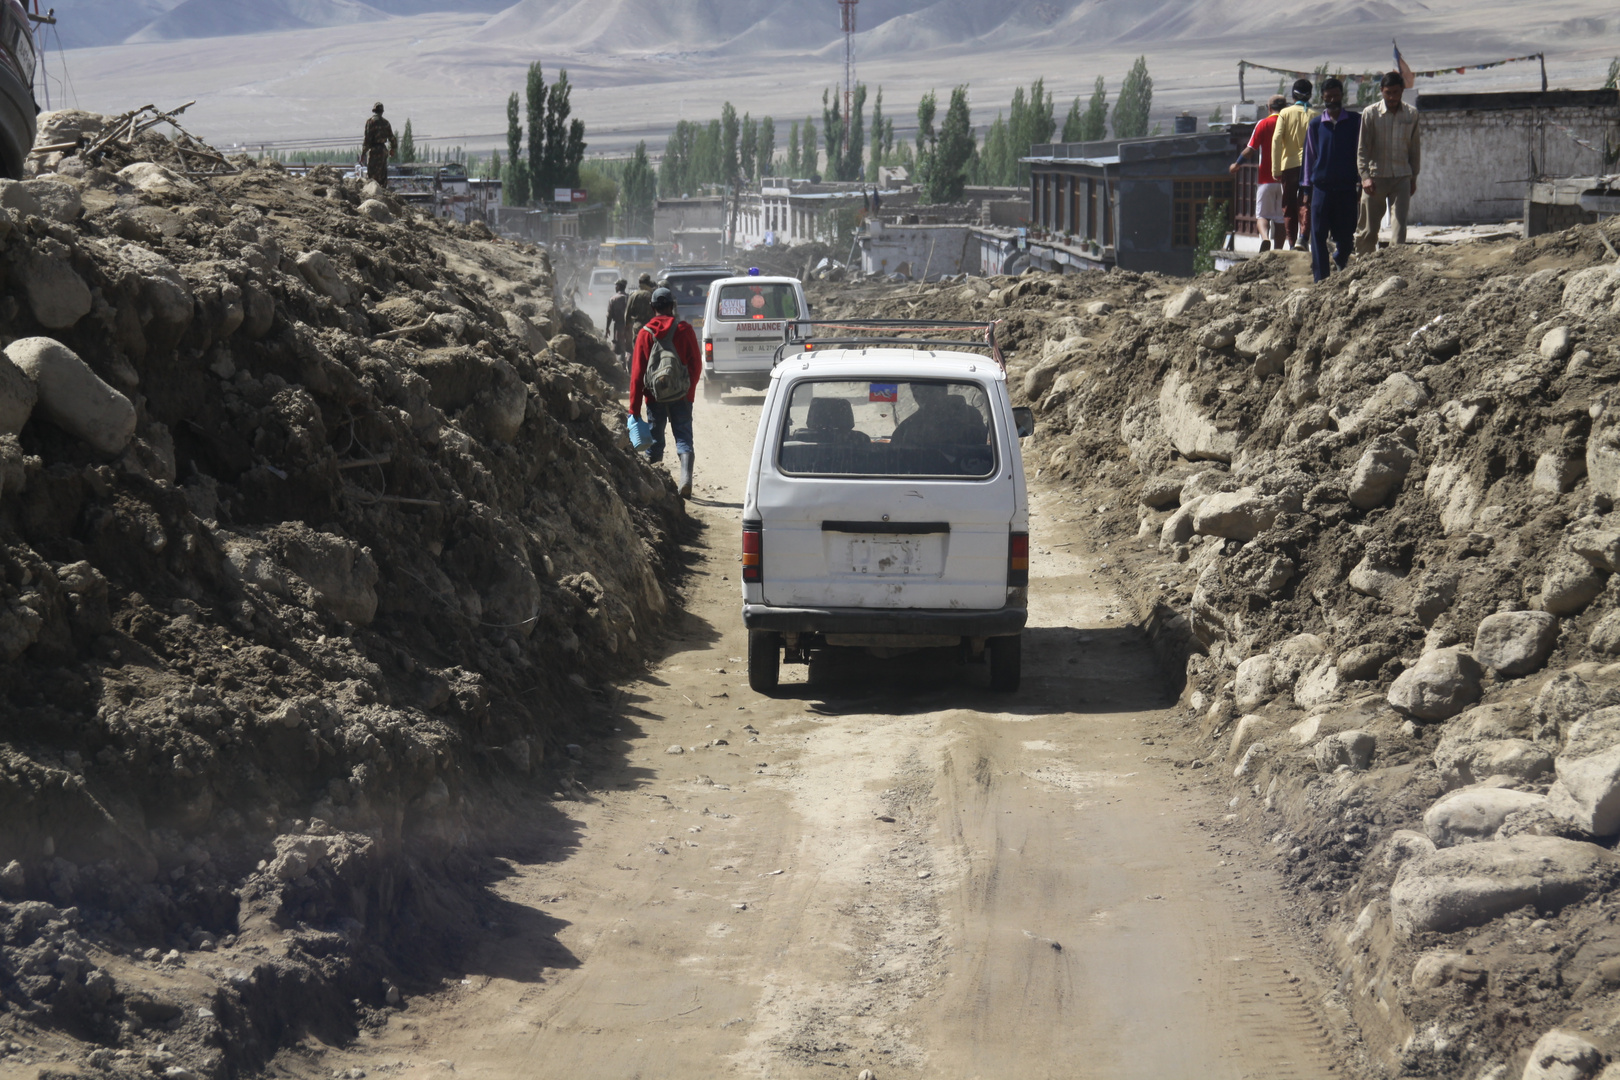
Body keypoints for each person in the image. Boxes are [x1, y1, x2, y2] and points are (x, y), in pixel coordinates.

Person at [629, 287, 702, 497]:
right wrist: (688, 391)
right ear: (672, 306)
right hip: (681, 394)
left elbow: (637, 374)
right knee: (684, 438)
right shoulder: (685, 329)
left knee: (654, 440)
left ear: (653, 308)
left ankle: (656, 486)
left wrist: (634, 409)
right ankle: (685, 480)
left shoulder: (645, 333)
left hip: (654, 396)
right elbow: (696, 365)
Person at [1302, 78, 1363, 282]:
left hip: (1346, 187)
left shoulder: (1355, 122)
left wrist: (1362, 181)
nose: (1332, 101)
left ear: (1342, 96)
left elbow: (1361, 152)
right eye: (1328, 97)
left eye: (1336, 96)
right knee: (1318, 235)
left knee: (1346, 235)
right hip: (1321, 188)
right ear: (1322, 98)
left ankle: (1340, 257)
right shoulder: (1316, 125)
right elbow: (1309, 158)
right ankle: (1321, 279)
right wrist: (1305, 189)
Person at [1355, 70, 1422, 254]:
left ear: (1402, 90)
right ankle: (1364, 265)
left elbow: (1414, 148)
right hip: (1375, 178)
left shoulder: (1411, 114)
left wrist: (1413, 177)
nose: (1392, 97)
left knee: (1399, 227)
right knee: (1368, 229)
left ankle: (1395, 266)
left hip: (1402, 176)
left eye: (1396, 92)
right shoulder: (1370, 114)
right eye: (1388, 92)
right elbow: (1362, 149)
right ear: (1381, 91)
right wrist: (1365, 177)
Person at [1231, 95, 1288, 251]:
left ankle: (1265, 238)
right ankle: (1278, 250)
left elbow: (1250, 149)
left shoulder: (1263, 124)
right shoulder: (1289, 124)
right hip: (1286, 180)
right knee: (1281, 220)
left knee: (1262, 215)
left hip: (1265, 179)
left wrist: (1237, 164)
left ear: (1269, 108)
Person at [1270, 79, 1315, 250]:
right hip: (1309, 167)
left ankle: (1291, 242)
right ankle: (1302, 239)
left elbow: (1276, 140)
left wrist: (1276, 169)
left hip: (1288, 166)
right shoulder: (1316, 115)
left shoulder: (1285, 113)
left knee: (1288, 204)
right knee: (1305, 201)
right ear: (1310, 95)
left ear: (1292, 95)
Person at [892, 383, 986, 449]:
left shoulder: (970, 416)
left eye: (929, 391)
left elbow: (981, 448)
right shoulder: (906, 429)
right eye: (916, 392)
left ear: (943, 390)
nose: (920, 396)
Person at [362, 103, 397, 188]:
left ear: (374, 111)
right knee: (382, 173)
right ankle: (382, 191)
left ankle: (372, 191)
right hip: (383, 150)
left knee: (372, 174)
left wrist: (363, 153)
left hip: (373, 150)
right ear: (382, 111)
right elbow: (392, 138)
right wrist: (393, 149)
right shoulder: (386, 123)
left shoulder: (370, 122)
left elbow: (367, 139)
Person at [605, 278, 630, 369]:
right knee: (629, 348)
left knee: (620, 349)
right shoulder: (629, 297)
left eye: (616, 285)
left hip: (619, 326)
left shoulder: (613, 299)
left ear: (618, 287)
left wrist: (607, 328)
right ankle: (630, 369)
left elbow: (609, 315)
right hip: (629, 326)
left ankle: (622, 370)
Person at [625, 272, 656, 342]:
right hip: (651, 327)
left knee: (637, 348)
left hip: (638, 327)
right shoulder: (652, 295)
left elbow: (627, 313)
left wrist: (627, 327)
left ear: (639, 282)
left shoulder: (633, 295)